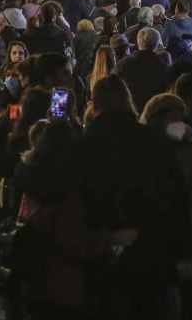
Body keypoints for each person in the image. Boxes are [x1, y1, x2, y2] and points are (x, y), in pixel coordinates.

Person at [74, 75, 188, 320]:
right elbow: (176, 194)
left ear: (94, 103)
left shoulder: (85, 145)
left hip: (102, 249)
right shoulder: (153, 141)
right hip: (150, 248)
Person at [16, 118, 137, 319]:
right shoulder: (64, 190)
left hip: (34, 278)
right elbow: (76, 241)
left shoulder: (33, 178)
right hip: (65, 282)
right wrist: (113, 237)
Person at [142, 94, 192, 317]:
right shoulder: (147, 148)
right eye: (173, 116)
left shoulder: (188, 147)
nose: (178, 122)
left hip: (182, 228)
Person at [113, 27, 169, 115]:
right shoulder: (164, 68)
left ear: (138, 43)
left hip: (128, 113)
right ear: (157, 44)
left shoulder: (123, 64)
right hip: (155, 114)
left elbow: (112, 86)